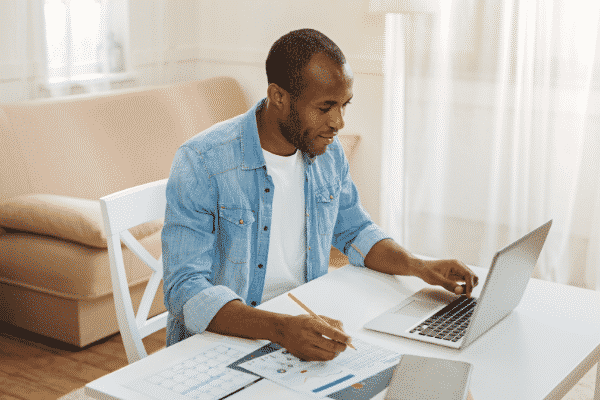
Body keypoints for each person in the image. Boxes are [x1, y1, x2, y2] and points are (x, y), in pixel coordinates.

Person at [162, 28, 479, 363]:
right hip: (223, 342)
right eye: (326, 107)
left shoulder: (328, 153)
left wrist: (419, 266)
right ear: (278, 96)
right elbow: (185, 287)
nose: (338, 122)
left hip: (300, 330)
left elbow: (356, 230)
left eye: (343, 105)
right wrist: (281, 329)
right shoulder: (202, 161)